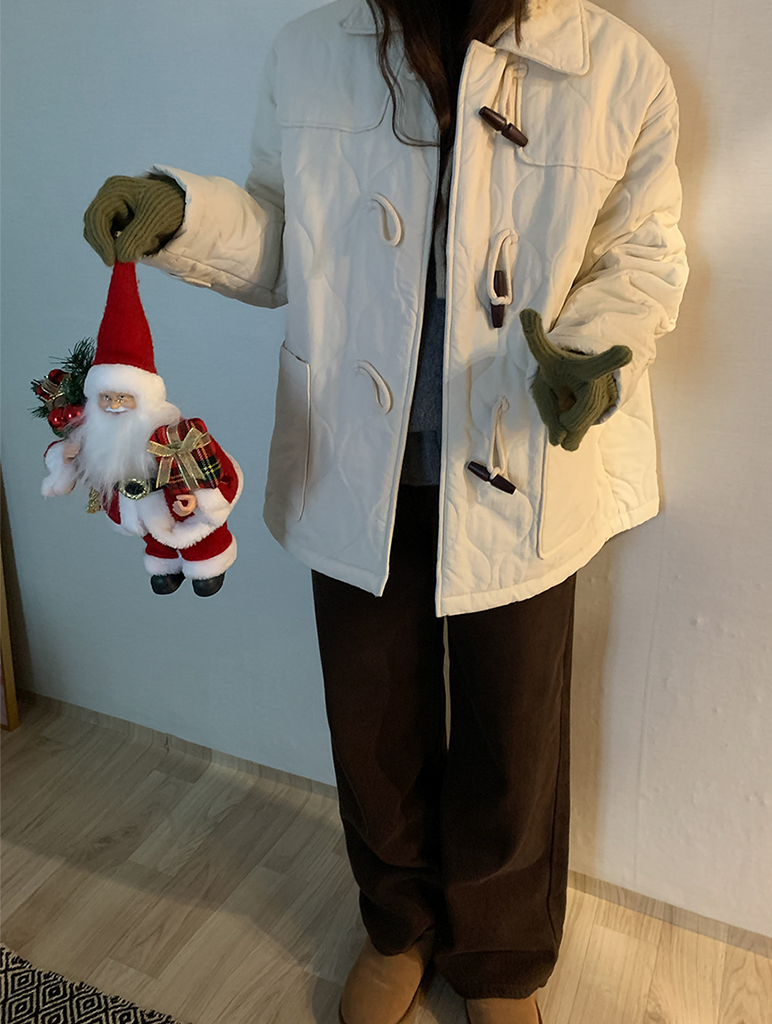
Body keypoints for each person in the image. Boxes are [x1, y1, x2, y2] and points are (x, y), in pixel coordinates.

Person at [82, 0, 688, 1020]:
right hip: (358, 452)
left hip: (520, 450)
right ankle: (398, 922)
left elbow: (643, 252)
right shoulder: (310, 51)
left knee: (513, 725)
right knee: (371, 713)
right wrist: (181, 215)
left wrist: (592, 353)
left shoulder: (619, 69)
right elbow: (279, 234)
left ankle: (497, 955)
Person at [42, 262, 242, 597]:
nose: (114, 405)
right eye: (106, 397)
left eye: (124, 397)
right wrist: (65, 457)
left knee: (198, 539)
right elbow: (74, 458)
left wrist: (199, 500)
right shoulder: (96, 432)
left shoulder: (175, 433)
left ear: (144, 397)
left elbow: (216, 470)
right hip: (139, 508)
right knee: (156, 540)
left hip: (179, 502)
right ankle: (166, 566)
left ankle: (209, 566)